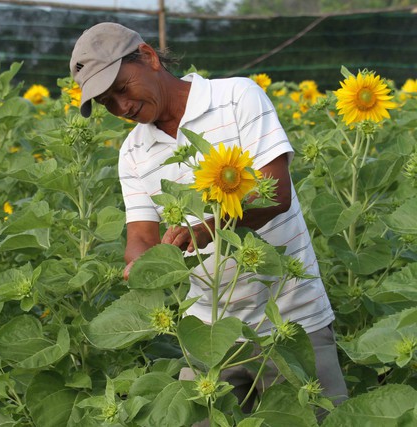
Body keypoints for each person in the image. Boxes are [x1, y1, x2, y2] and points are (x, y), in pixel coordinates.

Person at [69, 22, 348, 416]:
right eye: (107, 103)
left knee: (315, 418)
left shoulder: (236, 98)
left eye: (122, 89)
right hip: (207, 329)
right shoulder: (133, 152)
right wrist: (142, 265)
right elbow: (141, 234)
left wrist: (206, 231)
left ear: (148, 57)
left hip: (290, 319)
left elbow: (276, 193)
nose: (122, 107)